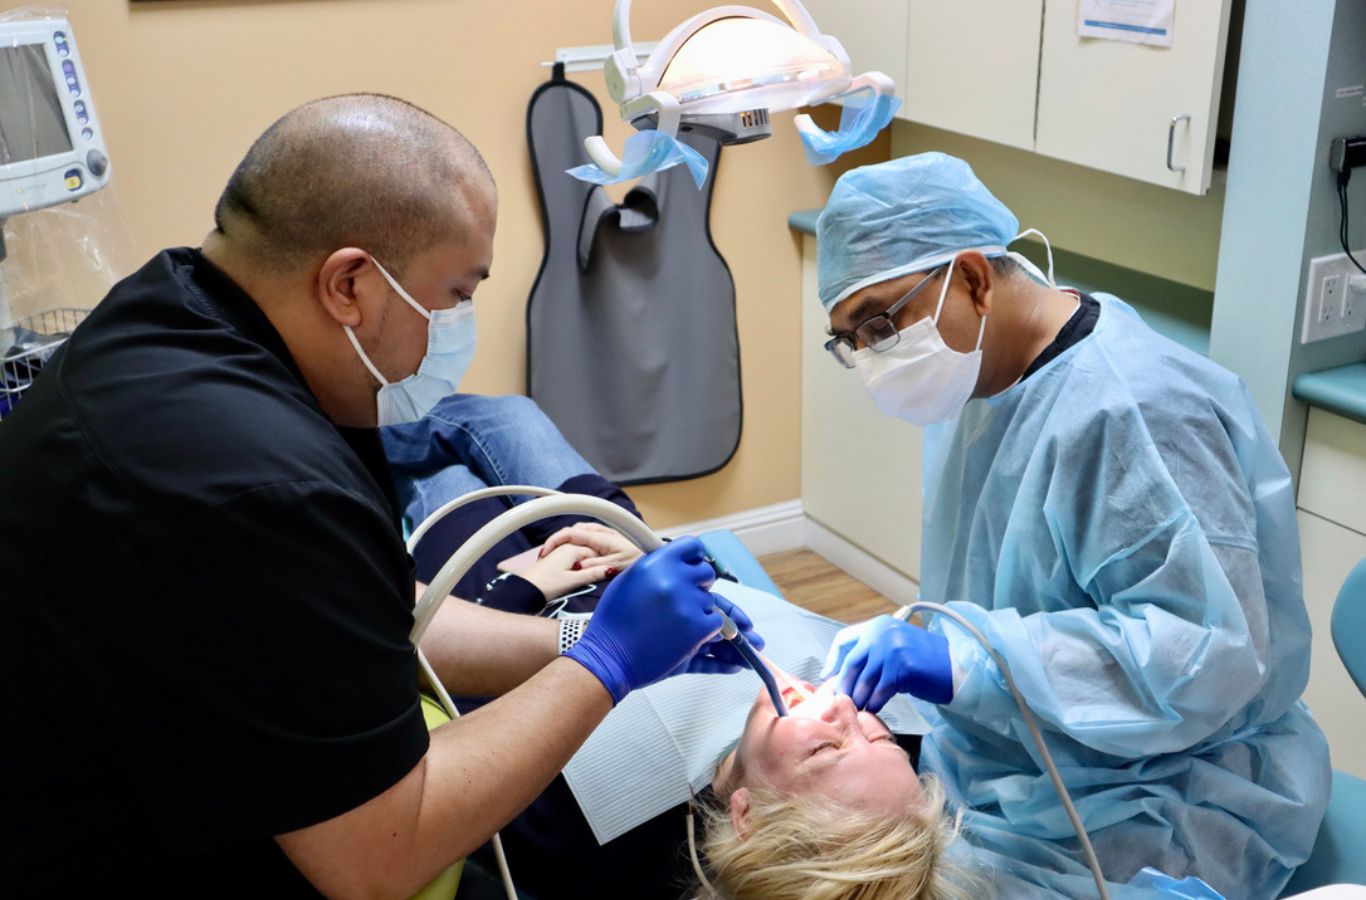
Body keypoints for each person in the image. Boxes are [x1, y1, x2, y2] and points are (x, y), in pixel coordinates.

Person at [0, 94, 760, 897]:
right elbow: (376, 860)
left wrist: (577, 636)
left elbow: (378, 611)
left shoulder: (174, 316)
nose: (461, 320)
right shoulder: (256, 486)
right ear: (350, 285)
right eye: (458, 293)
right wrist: (608, 663)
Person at [812, 152, 1331, 897]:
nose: (871, 358)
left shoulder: (1136, 410)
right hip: (1025, 754)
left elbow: (1202, 659)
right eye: (849, 340)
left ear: (972, 278)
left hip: (1166, 792)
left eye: (881, 323)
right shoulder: (983, 377)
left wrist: (971, 661)